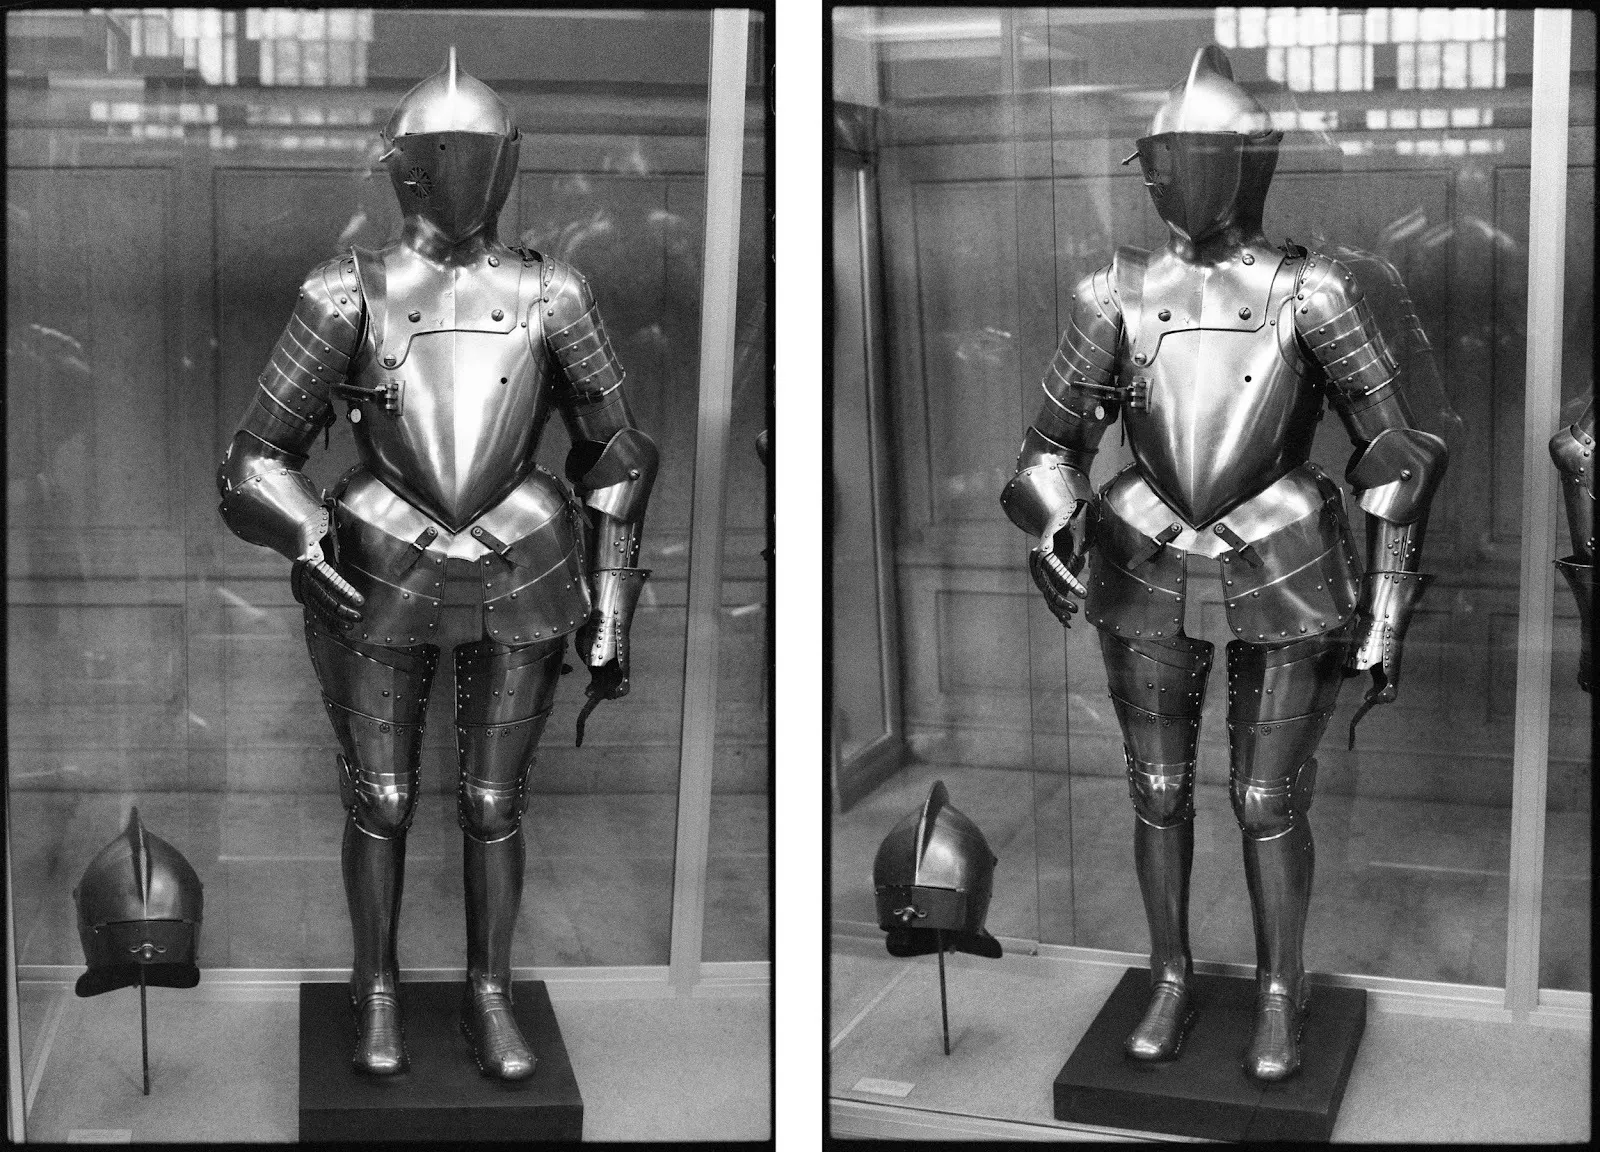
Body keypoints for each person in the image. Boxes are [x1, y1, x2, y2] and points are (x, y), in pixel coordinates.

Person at [1001, 45, 1446, 1080]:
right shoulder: (1111, 292)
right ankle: (1168, 976)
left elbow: (1397, 457)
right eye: (1160, 159)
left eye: (1190, 156)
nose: (1172, 177)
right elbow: (1045, 446)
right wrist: (1051, 521)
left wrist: (1384, 607)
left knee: (1262, 800)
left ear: (1248, 161)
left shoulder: (1313, 291)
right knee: (1155, 787)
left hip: (1285, 552)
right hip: (1140, 547)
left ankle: (1280, 994)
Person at [217, 50, 656, 1079]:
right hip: (378, 559)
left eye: (478, 156)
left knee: (495, 805)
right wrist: (303, 535)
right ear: (402, 168)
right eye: (439, 157)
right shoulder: (345, 291)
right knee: (379, 797)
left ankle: (489, 994)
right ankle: (375, 990)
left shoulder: (554, 292)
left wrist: (611, 603)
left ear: (509, 164)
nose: (461, 174)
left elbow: (616, 453)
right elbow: (252, 458)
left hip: (526, 558)